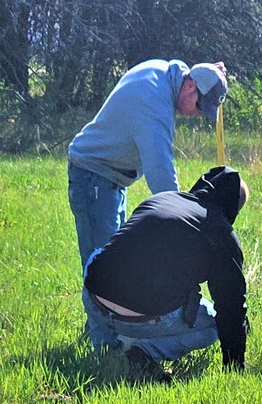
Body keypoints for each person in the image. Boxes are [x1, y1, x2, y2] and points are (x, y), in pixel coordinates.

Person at [82, 166, 249, 375]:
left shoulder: (162, 199)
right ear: (233, 208)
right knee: (213, 324)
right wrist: (235, 368)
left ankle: (103, 345)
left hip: (93, 300)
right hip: (142, 319)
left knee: (98, 255)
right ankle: (144, 352)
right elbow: (230, 308)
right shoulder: (222, 235)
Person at [68, 59, 228, 269]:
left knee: (115, 262)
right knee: (101, 271)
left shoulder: (164, 72)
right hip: (94, 177)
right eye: (200, 106)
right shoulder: (154, 104)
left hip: (111, 178)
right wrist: (184, 222)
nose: (198, 114)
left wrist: (210, 76)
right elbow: (160, 172)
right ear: (190, 86)